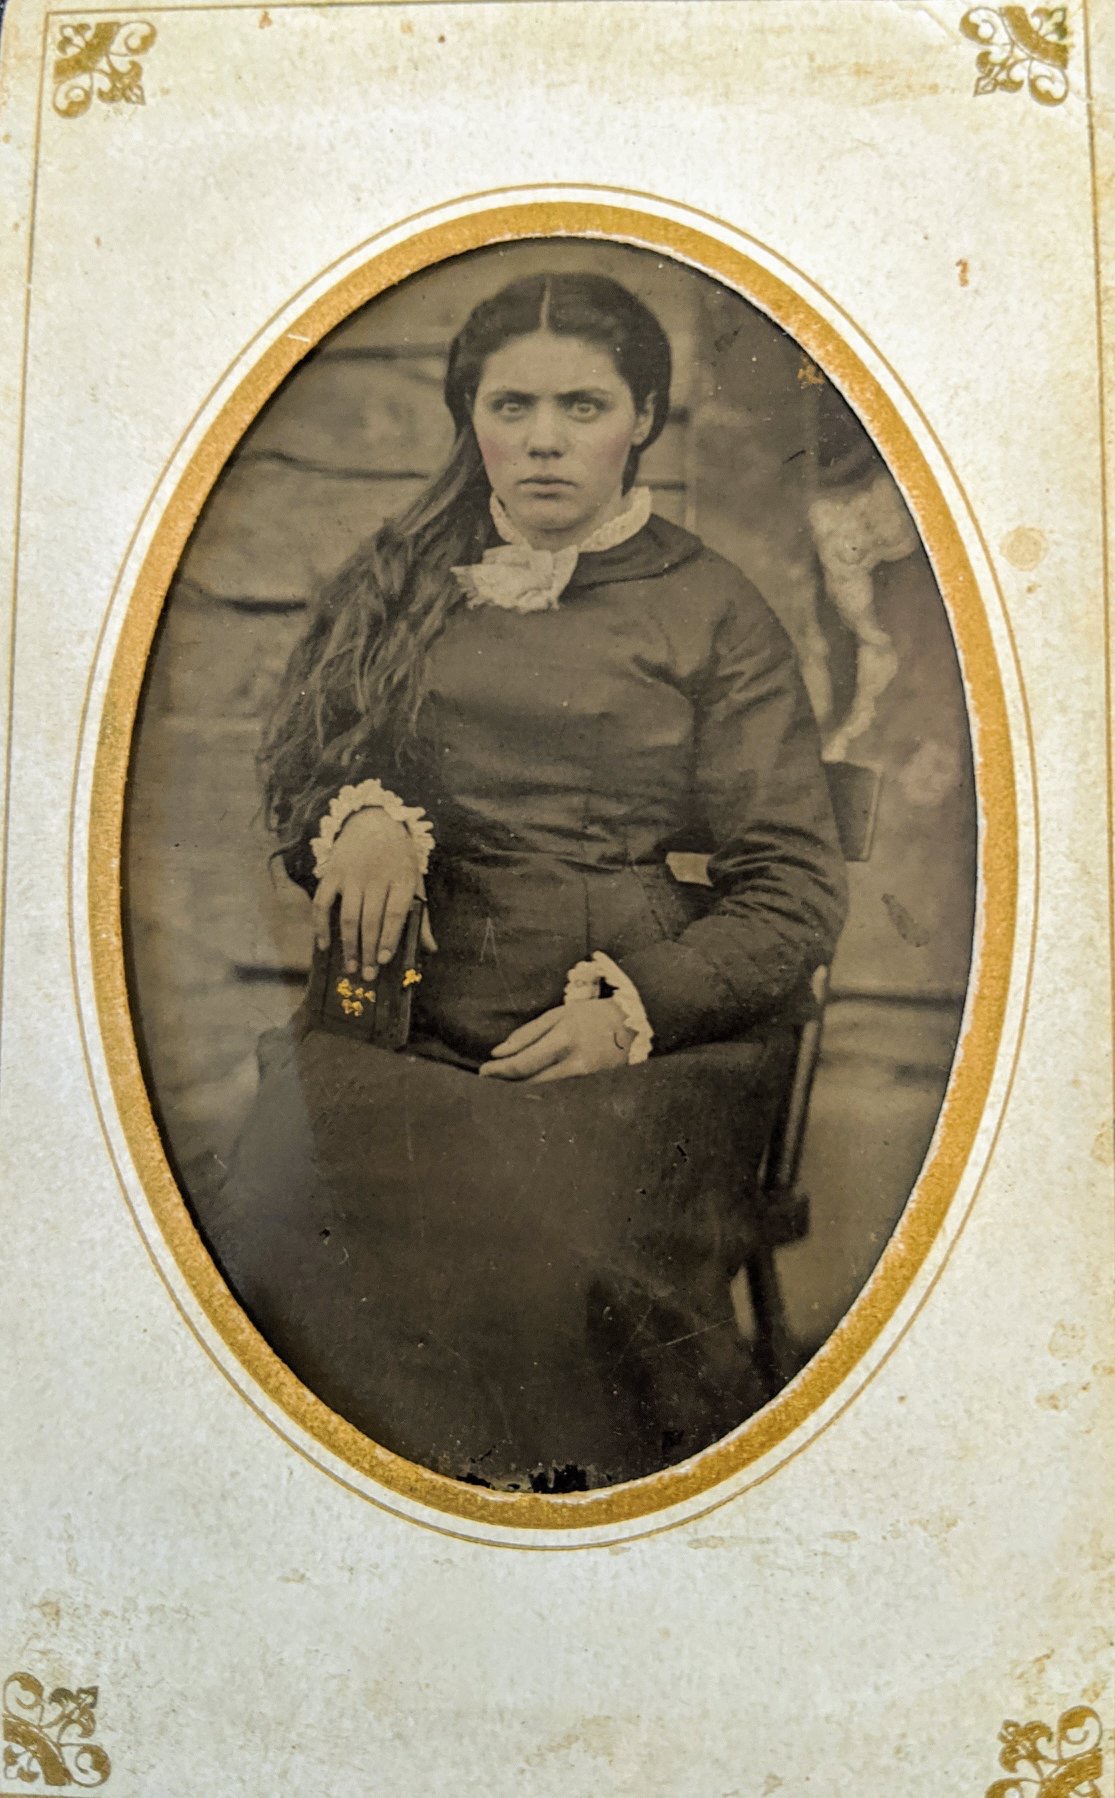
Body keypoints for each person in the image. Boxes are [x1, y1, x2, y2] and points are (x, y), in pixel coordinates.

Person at [201, 270, 848, 1492]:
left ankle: (557, 1538)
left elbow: (793, 888)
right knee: (275, 1211)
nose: (544, 439)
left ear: (642, 416)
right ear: (471, 416)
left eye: (582, 406)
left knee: (539, 1250)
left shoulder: (711, 608)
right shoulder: (399, 578)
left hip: (633, 1046)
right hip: (404, 1024)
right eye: (511, 406)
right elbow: (305, 779)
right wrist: (359, 820)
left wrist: (635, 1011)